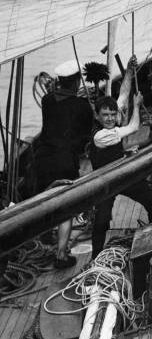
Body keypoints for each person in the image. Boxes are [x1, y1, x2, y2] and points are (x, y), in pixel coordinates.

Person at [90, 59, 152, 257]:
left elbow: (122, 95)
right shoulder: (100, 135)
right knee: (102, 220)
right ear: (96, 116)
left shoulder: (113, 118)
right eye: (105, 115)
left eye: (112, 114)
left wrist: (130, 72)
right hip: (106, 181)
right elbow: (133, 128)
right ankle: (95, 256)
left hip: (123, 175)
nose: (110, 118)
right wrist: (137, 105)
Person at [34, 60, 93, 268]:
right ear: (77, 81)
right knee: (66, 209)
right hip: (65, 162)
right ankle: (60, 254)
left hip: (42, 160)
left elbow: (55, 114)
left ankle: (43, 242)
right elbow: (85, 138)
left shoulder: (48, 100)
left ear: (59, 81)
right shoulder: (83, 106)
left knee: (43, 203)